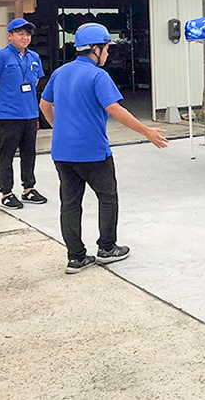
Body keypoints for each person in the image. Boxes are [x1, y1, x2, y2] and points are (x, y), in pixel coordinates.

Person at [39, 23, 168, 275]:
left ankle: (75, 258)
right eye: (107, 48)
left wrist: (60, 129)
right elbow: (115, 109)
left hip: (62, 152)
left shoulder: (60, 73)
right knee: (107, 198)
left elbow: (44, 105)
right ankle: (107, 248)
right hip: (93, 152)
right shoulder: (98, 76)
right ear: (96, 49)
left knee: (70, 203)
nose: (108, 53)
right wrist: (147, 131)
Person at [0, 18, 48, 209]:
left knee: (29, 154)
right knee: (7, 155)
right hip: (8, 116)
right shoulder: (0, 57)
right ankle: (6, 192)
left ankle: (28, 189)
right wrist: (1, 100)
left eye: (27, 34)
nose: (24, 37)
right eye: (20, 33)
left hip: (29, 113)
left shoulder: (34, 57)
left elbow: (35, 81)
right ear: (9, 35)